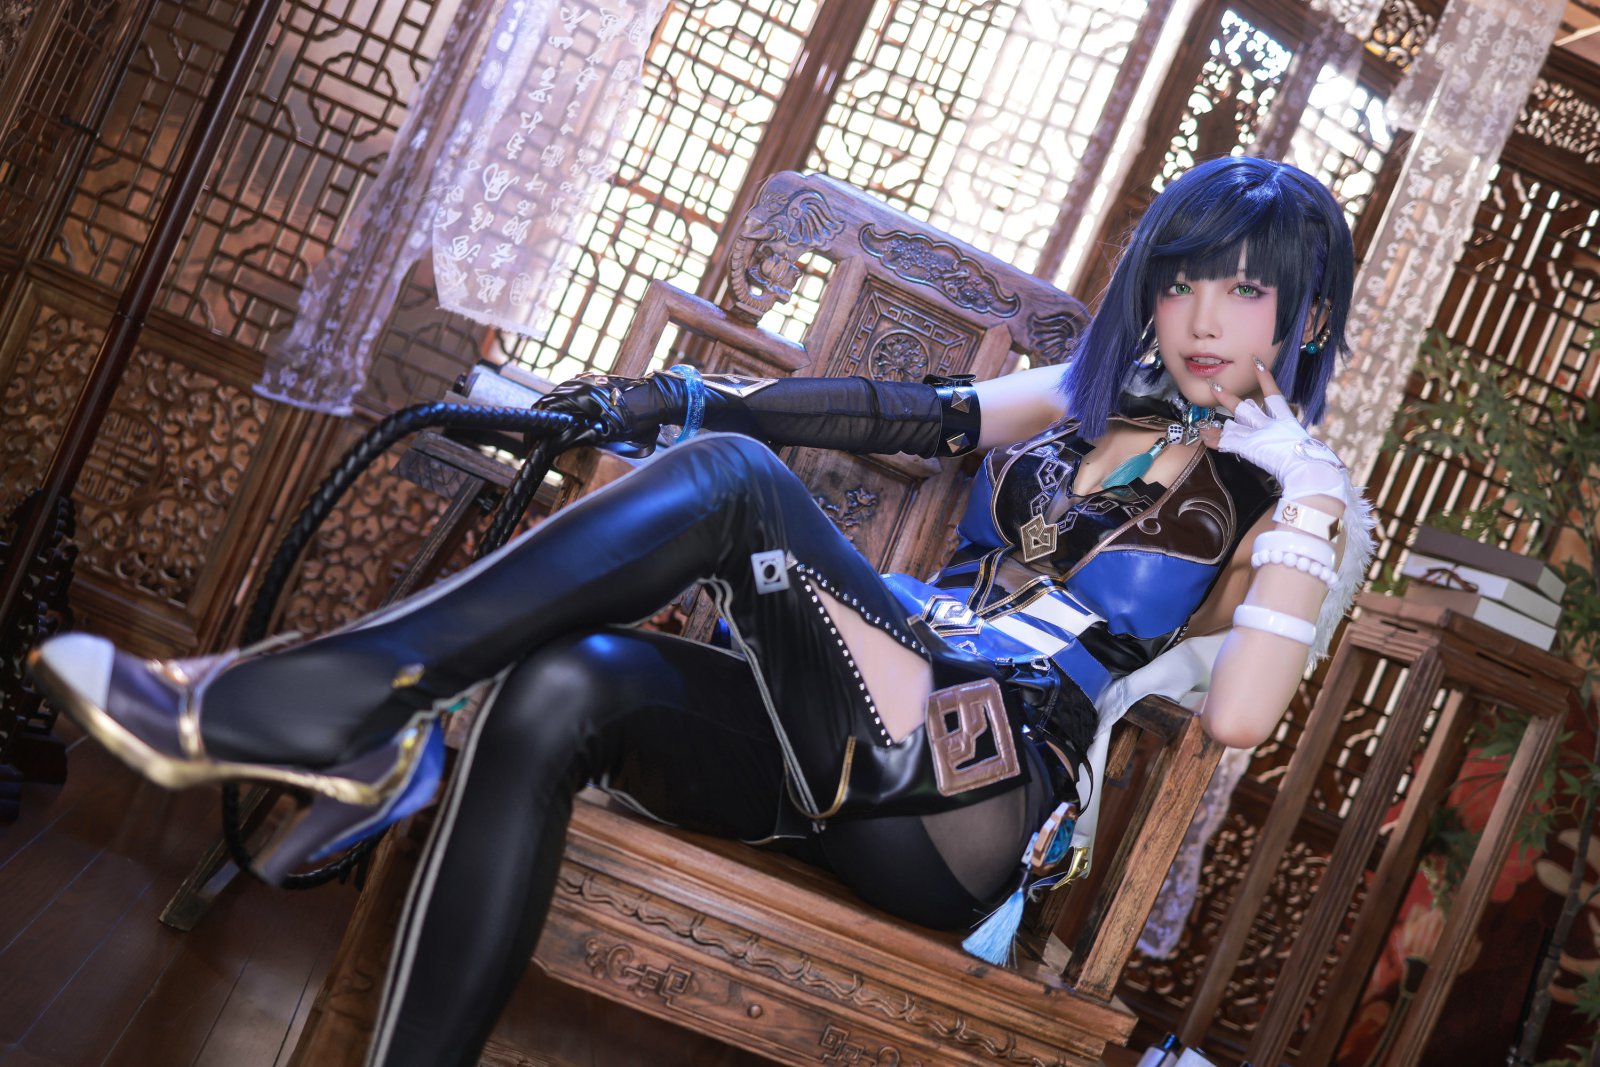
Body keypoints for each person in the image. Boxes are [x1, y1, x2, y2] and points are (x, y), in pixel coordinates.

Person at [29, 156, 1371, 1067]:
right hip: (859, 722)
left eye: (1247, 289)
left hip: (975, 795)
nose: (1204, 316)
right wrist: (673, 399)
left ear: (1307, 317)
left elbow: (1241, 717)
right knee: (564, 687)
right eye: (1184, 279)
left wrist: (1308, 502)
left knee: (731, 486)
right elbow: (905, 415)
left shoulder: (1296, 494)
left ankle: (322, 701)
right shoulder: (1093, 397)